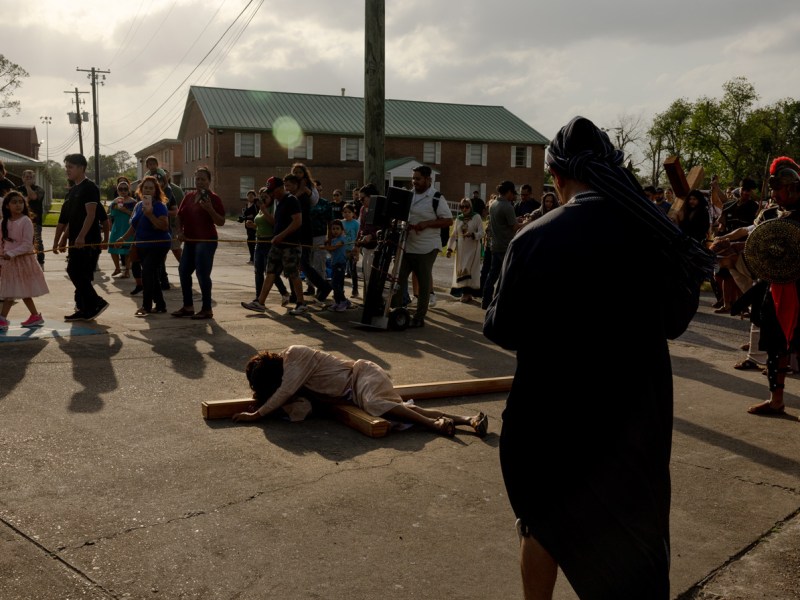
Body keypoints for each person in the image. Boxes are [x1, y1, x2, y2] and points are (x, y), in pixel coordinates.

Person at [484, 116, 712, 600]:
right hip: (633, 423)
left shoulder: (534, 237)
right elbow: (675, 320)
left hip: (549, 419)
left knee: (542, 522)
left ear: (557, 177)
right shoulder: (655, 236)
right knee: (628, 545)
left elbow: (502, 329)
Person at [230, 345, 488, 437]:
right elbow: (299, 410)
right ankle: (468, 420)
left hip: (362, 374)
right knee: (402, 411)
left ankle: (436, 426)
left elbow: (284, 391)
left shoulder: (295, 355)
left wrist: (258, 415)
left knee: (379, 406)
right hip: (355, 392)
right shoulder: (294, 383)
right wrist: (267, 409)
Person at [741, 157, 800, 416]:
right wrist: (729, 244)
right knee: (776, 346)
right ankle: (776, 400)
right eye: (773, 190)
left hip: (799, 289)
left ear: (792, 189)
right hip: (774, 287)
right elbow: (757, 242)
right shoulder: (770, 214)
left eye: (778, 190)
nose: (774, 195)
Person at [390, 165, 453, 328]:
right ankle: (398, 311)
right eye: (413, 178)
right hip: (407, 245)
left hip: (427, 247)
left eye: (418, 179)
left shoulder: (437, 197)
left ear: (428, 179)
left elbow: (448, 220)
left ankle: (419, 316)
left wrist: (427, 224)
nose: (414, 181)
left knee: (424, 282)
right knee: (398, 278)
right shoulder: (409, 195)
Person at [240, 176, 309, 315]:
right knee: (270, 271)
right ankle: (260, 302)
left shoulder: (291, 200)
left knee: (293, 273)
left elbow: (297, 222)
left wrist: (280, 236)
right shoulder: (278, 202)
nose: (271, 193)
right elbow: (276, 222)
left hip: (290, 244)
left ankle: (301, 303)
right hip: (277, 244)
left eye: (272, 190)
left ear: (280, 187)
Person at [171, 166, 226, 320]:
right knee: (183, 271)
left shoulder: (214, 198)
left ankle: (207, 309)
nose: (200, 182)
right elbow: (178, 217)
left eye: (203, 179)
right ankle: (188, 306)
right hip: (190, 240)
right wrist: (179, 232)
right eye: (198, 179)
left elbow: (221, 221)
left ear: (209, 181)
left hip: (206, 241)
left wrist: (210, 209)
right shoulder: (188, 196)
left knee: (202, 274)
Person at [115, 176, 171, 316]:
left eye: (151, 188)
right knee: (151, 274)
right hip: (142, 245)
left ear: (156, 190)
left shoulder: (159, 206)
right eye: (145, 187)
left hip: (158, 245)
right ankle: (160, 305)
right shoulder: (138, 205)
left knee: (147, 273)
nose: (148, 190)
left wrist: (151, 215)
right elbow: (134, 226)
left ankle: (146, 307)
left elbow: (164, 227)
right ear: (141, 189)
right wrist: (122, 238)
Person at [62, 153, 109, 322]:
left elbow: (91, 215)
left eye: (71, 167)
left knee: (77, 272)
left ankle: (96, 302)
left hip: (87, 241)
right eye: (66, 166)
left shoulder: (90, 188)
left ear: (81, 168)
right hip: (75, 241)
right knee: (76, 272)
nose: (67, 170)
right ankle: (84, 307)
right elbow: (72, 219)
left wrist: (82, 236)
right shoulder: (74, 189)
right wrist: (63, 239)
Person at [0, 191, 49, 330]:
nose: (18, 205)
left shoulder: (26, 221)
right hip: (9, 262)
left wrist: (12, 253)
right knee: (15, 290)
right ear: (7, 206)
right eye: (14, 202)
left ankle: (2, 319)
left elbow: (27, 244)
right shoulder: (3, 222)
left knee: (15, 290)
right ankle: (35, 316)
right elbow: (0, 243)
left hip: (23, 261)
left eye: (20, 202)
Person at [247, 186, 291, 307]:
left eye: (265, 196)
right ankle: (258, 298)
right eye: (261, 196)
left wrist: (264, 210)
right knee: (258, 271)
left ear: (271, 197)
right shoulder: (261, 208)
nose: (263, 198)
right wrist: (253, 225)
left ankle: (284, 293)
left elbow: (273, 223)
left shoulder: (273, 207)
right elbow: (261, 225)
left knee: (270, 272)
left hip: (269, 243)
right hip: (259, 242)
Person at [482, 180, 522, 309]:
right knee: (507, 276)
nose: (513, 196)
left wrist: (516, 220)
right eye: (513, 193)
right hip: (506, 246)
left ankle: (486, 301)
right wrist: (529, 222)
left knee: (492, 275)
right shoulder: (507, 206)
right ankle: (500, 302)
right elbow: (515, 227)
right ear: (509, 192)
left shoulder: (493, 204)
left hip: (495, 245)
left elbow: (503, 222)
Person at [446, 198, 484, 303]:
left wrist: (473, 235)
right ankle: (466, 293)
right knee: (461, 270)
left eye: (467, 206)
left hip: (472, 248)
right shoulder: (458, 219)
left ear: (470, 206)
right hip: (461, 248)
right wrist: (450, 249)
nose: (464, 208)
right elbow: (454, 235)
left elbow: (482, 233)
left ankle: (466, 293)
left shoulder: (476, 217)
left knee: (468, 269)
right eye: (462, 207)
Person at [17, 170, 46, 267]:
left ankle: (40, 261)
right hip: (19, 221)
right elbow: (20, 202)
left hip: (35, 221)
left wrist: (27, 186)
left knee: (37, 241)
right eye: (26, 177)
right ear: (22, 178)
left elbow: (33, 197)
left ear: (34, 179)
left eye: (31, 177)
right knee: (20, 240)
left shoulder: (40, 189)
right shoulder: (17, 190)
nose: (28, 179)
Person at [108, 178, 136, 278]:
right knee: (112, 248)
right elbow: (112, 215)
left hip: (127, 227)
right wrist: (110, 224)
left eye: (125, 189)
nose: (123, 191)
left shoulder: (133, 202)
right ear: (118, 190)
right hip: (117, 227)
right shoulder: (115, 201)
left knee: (128, 250)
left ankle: (127, 270)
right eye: (120, 189)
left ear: (129, 190)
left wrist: (125, 210)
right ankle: (117, 268)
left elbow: (135, 215)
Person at [321, 219, 349, 311]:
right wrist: (326, 248)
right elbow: (331, 251)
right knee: (337, 285)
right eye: (333, 229)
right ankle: (337, 302)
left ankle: (344, 301)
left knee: (335, 284)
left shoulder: (342, 239)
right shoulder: (333, 240)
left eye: (337, 228)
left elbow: (334, 248)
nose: (335, 231)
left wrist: (325, 247)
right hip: (334, 264)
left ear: (342, 230)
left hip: (340, 265)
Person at [341, 203, 360, 298]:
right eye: (345, 212)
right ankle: (340, 290)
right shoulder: (341, 223)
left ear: (353, 213)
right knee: (341, 270)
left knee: (353, 271)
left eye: (349, 212)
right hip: (343, 251)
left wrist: (357, 252)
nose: (347, 214)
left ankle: (355, 290)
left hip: (352, 250)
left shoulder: (356, 223)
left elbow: (358, 237)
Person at [239, 189, 259, 265]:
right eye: (249, 196)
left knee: (252, 242)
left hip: (254, 226)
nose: (250, 197)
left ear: (255, 196)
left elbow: (256, 214)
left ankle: (254, 259)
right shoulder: (247, 205)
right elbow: (245, 214)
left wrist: (248, 217)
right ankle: (252, 258)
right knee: (249, 242)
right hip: (247, 227)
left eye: (252, 196)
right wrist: (242, 218)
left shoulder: (256, 205)